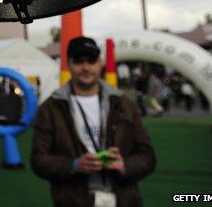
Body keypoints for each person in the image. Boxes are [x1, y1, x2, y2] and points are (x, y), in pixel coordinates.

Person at [31, 36, 156, 207]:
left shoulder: (123, 104)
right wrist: (74, 165)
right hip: (74, 200)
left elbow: (148, 156)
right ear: (68, 64)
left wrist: (123, 164)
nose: (86, 67)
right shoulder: (51, 108)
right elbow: (38, 160)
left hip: (123, 199)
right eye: (79, 61)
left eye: (91, 60)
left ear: (100, 63)